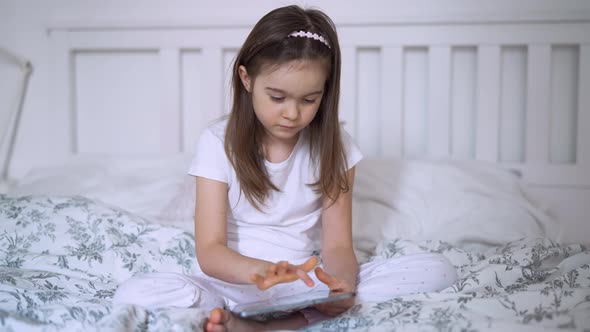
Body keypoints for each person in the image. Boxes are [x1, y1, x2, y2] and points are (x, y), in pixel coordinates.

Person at [113, 5, 458, 331]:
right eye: (277, 97)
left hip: (302, 287)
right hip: (232, 285)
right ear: (246, 80)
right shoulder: (217, 143)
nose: (293, 113)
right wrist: (263, 272)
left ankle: (278, 324)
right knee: (135, 293)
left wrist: (341, 288)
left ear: (326, 91)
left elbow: (338, 246)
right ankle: (265, 319)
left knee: (438, 270)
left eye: (309, 100)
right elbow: (210, 251)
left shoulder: (334, 145)